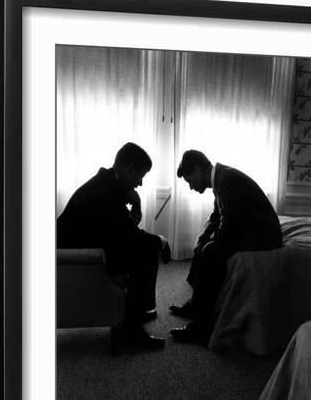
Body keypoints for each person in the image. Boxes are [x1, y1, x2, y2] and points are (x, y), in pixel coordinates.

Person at [57, 142, 171, 349]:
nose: (140, 183)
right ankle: (130, 333)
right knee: (147, 252)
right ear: (128, 169)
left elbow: (122, 229)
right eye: (140, 176)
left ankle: (137, 312)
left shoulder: (108, 184)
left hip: (90, 245)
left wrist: (135, 206)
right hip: (76, 257)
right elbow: (130, 235)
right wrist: (161, 241)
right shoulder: (106, 192)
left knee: (144, 248)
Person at [170, 149, 282, 343]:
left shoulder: (228, 180)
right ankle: (196, 305)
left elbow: (229, 224)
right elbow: (217, 216)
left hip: (263, 236)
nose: (190, 187)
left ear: (197, 171)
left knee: (211, 251)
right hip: (248, 227)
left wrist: (210, 241)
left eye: (189, 181)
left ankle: (202, 327)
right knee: (204, 244)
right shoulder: (221, 178)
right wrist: (203, 237)